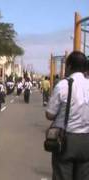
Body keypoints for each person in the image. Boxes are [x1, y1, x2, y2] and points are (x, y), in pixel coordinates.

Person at [46, 51, 89, 180]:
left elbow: (50, 114)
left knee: (62, 174)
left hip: (66, 140)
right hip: (86, 140)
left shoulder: (64, 85)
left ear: (69, 66)